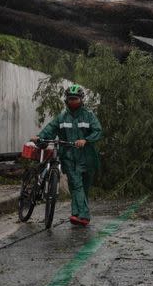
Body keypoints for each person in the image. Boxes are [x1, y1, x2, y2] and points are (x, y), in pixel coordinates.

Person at [32, 84, 102, 227]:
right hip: (69, 156)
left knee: (84, 187)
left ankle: (76, 213)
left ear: (81, 99)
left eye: (75, 98)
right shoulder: (62, 117)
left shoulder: (89, 116)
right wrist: (40, 137)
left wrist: (86, 140)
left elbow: (98, 131)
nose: (72, 101)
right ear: (66, 100)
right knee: (76, 185)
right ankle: (84, 216)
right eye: (70, 98)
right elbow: (50, 129)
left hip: (87, 157)